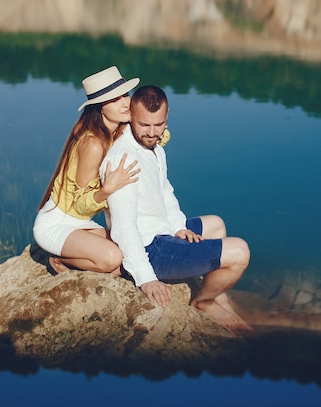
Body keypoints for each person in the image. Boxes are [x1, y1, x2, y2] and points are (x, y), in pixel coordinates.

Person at [99, 85, 252, 331]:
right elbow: (124, 226)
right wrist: (146, 279)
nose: (151, 133)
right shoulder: (124, 160)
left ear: (166, 118)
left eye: (158, 125)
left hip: (163, 232)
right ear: (131, 117)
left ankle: (219, 296)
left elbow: (165, 193)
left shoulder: (154, 149)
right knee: (240, 252)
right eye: (144, 125)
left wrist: (178, 227)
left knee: (216, 223)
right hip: (152, 248)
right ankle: (204, 301)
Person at [33, 66, 141, 275]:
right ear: (100, 107)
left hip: (81, 224)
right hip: (57, 224)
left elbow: (160, 136)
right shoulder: (93, 144)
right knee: (113, 259)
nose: (125, 103)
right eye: (114, 100)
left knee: (132, 252)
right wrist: (107, 189)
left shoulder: (118, 131)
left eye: (125, 95)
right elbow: (80, 205)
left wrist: (145, 124)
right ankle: (59, 259)